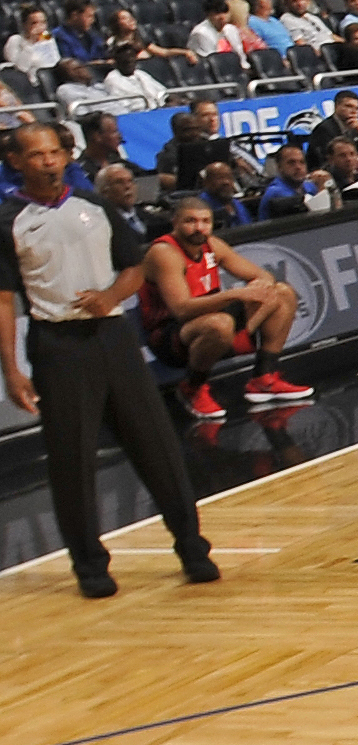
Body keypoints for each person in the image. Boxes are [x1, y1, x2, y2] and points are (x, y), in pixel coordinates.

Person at [2, 122, 216, 597]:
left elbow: (135, 266)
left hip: (114, 335)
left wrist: (110, 295)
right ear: (16, 161)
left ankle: (192, 547)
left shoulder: (94, 206)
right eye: (37, 154)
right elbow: (2, 300)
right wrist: (12, 369)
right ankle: (91, 565)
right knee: (71, 460)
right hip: (56, 345)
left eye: (55, 152)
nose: (48, 161)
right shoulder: (8, 219)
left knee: (156, 444)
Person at [144, 192, 311, 420]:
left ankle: (264, 378)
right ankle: (191, 389)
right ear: (175, 223)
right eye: (190, 221)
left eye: (205, 221)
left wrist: (259, 289)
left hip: (210, 317)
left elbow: (261, 275)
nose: (199, 228)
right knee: (220, 323)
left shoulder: (212, 245)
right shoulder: (165, 252)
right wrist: (237, 294)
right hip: (169, 334)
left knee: (282, 293)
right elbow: (181, 310)